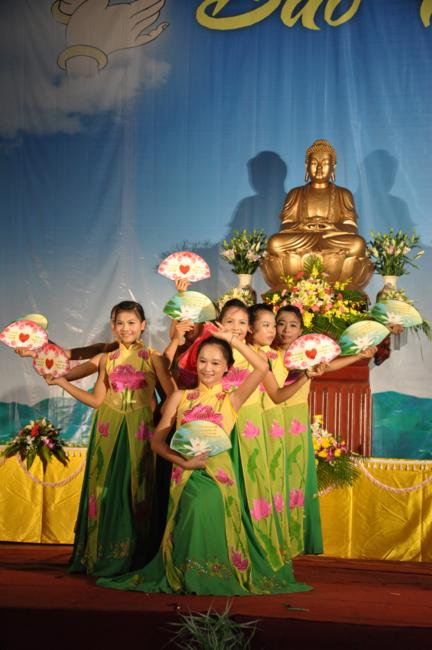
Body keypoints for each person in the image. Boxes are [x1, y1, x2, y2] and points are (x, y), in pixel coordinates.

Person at [98, 330, 311, 595]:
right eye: (202, 361)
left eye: (215, 363)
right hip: (185, 473)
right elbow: (157, 443)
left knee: (206, 502)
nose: (207, 368)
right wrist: (183, 463)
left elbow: (260, 367)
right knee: (194, 503)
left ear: (227, 368)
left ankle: (212, 571)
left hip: (219, 477)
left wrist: (232, 340)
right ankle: (185, 570)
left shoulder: (231, 399)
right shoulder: (180, 397)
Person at [44, 300, 175, 576]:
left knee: (136, 490)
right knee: (104, 489)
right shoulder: (106, 359)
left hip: (140, 432)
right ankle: (103, 552)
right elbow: (95, 399)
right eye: (120, 323)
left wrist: (163, 425)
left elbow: (173, 396)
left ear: (143, 326)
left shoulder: (153, 357)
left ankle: (136, 555)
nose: (125, 328)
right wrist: (58, 378)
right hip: (108, 431)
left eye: (131, 323)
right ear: (112, 327)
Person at [218, 300, 325, 568]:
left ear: (248, 328)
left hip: (253, 427)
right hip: (223, 425)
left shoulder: (265, 357)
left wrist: (306, 375)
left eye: (242, 322)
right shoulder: (218, 352)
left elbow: (276, 395)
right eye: (231, 322)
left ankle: (253, 549)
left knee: (254, 490)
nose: (236, 327)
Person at [273, 305, 377, 554]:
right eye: (281, 323)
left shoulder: (306, 354)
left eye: (293, 325)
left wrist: (359, 357)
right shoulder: (267, 353)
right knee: (273, 475)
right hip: (271, 419)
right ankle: (273, 534)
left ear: (301, 329)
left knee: (296, 476)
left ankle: (296, 537)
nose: (286, 329)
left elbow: (328, 366)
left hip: (296, 420)